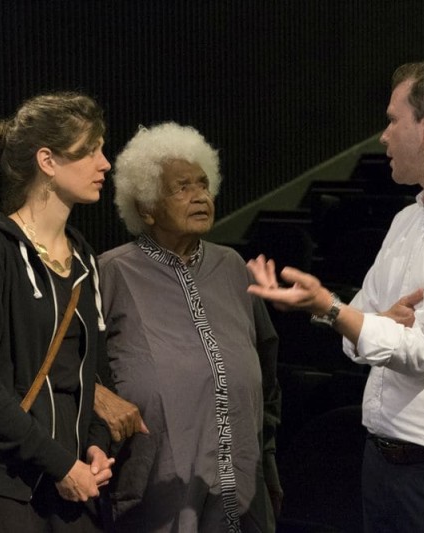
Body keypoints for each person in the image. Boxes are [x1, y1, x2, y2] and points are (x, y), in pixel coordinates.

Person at [247, 58, 424, 533]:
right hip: (383, 467)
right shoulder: (408, 219)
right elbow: (361, 328)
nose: (383, 135)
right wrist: (355, 319)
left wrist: (335, 311)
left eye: (392, 119)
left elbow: (421, 351)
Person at [0, 92, 117, 532]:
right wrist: (60, 464)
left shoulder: (83, 258)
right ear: (48, 161)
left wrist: (95, 447)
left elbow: (94, 376)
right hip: (7, 490)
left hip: (76, 489)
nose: (105, 164)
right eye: (91, 150)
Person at [99, 122, 283, 532]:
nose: (200, 195)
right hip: (157, 490)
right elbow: (77, 370)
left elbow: (267, 377)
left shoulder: (233, 267)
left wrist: (268, 461)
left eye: (203, 184)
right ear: (146, 207)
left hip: (242, 483)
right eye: (181, 188)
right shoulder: (112, 271)